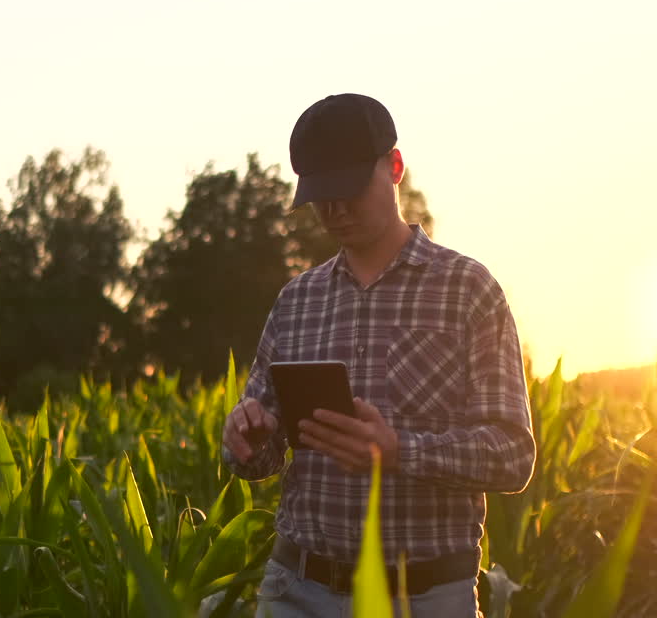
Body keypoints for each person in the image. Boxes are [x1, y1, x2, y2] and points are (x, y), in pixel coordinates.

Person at [221, 93, 535, 618]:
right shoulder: (297, 302)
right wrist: (247, 441)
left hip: (426, 597)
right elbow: (262, 457)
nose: (336, 210)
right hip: (297, 591)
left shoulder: (468, 290)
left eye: (348, 190)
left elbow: (512, 455)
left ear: (394, 167)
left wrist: (399, 451)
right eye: (322, 196)